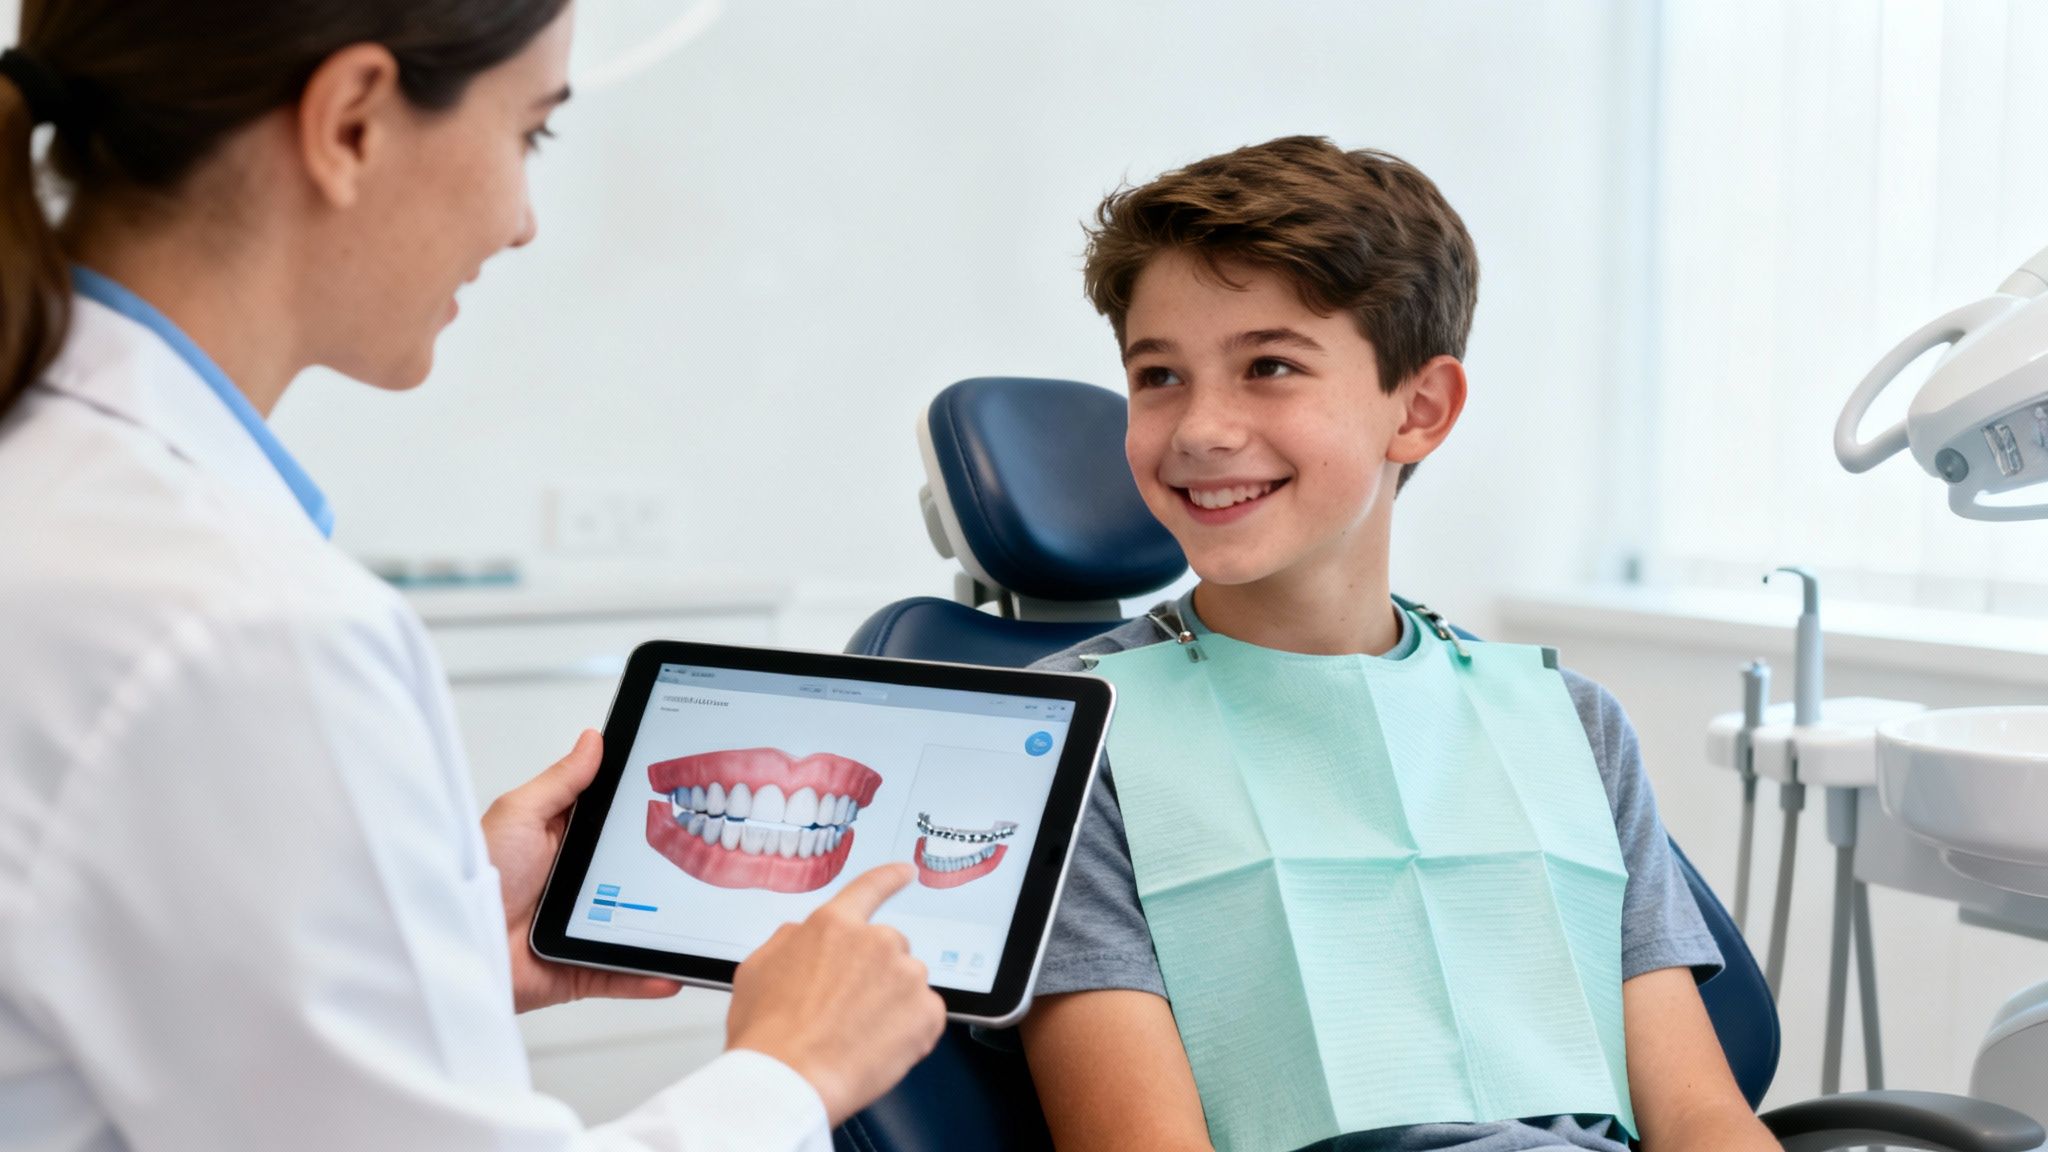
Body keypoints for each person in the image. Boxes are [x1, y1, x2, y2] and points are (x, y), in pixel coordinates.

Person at [0, 2, 944, 1149]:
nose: (520, 222)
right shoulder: (239, 623)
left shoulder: (75, 500)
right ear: (349, 122)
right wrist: (794, 1069)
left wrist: (430, 944)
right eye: (529, 135)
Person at [1014, 137, 1778, 1152]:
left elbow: (1696, 1117)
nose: (1198, 427)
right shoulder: (1066, 737)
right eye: (1157, 375)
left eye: (1268, 365)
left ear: (1418, 410)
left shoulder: (1565, 723)